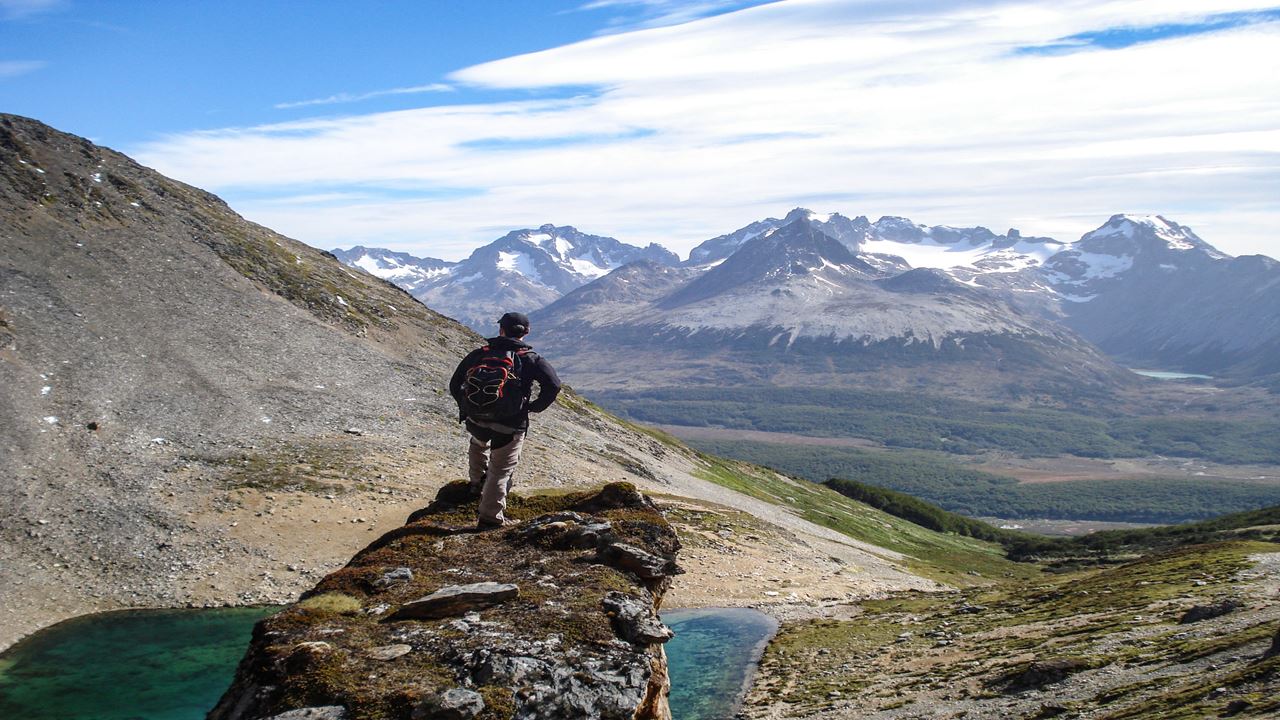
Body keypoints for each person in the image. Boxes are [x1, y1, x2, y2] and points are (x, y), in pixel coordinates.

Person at [448, 311, 561, 529]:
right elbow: (553, 385)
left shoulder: (479, 354)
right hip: (510, 424)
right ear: (526, 332)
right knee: (500, 470)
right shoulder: (530, 359)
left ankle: (475, 483)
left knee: (478, 443)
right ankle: (490, 518)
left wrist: (468, 407)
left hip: (476, 419)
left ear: (501, 329)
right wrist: (533, 407)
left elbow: (455, 384)